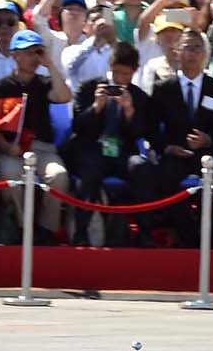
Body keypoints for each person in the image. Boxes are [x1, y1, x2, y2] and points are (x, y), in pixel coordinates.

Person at [147, 29, 213, 247]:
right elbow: (150, 129)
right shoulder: (163, 88)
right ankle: (185, 236)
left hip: (209, 152)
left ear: (205, 53)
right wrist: (167, 148)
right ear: (177, 52)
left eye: (197, 48)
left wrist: (209, 139)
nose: (192, 53)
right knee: (165, 176)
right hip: (177, 153)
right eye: (187, 47)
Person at [0, 31, 75, 244]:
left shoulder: (45, 83)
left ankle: (47, 230)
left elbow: (64, 96)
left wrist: (50, 64)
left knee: (59, 176)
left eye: (37, 52)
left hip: (43, 148)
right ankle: (22, 227)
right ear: (15, 55)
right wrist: (7, 148)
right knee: (10, 175)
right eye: (28, 53)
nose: (34, 58)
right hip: (13, 149)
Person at [66, 43, 156, 247]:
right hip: (91, 150)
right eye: (115, 72)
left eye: (125, 74)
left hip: (121, 153)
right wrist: (96, 107)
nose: (119, 79)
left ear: (134, 71)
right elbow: (77, 126)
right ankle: (81, 232)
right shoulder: (89, 88)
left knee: (142, 168)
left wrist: (129, 111)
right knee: (92, 167)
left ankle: (145, 232)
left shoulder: (140, 97)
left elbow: (143, 133)